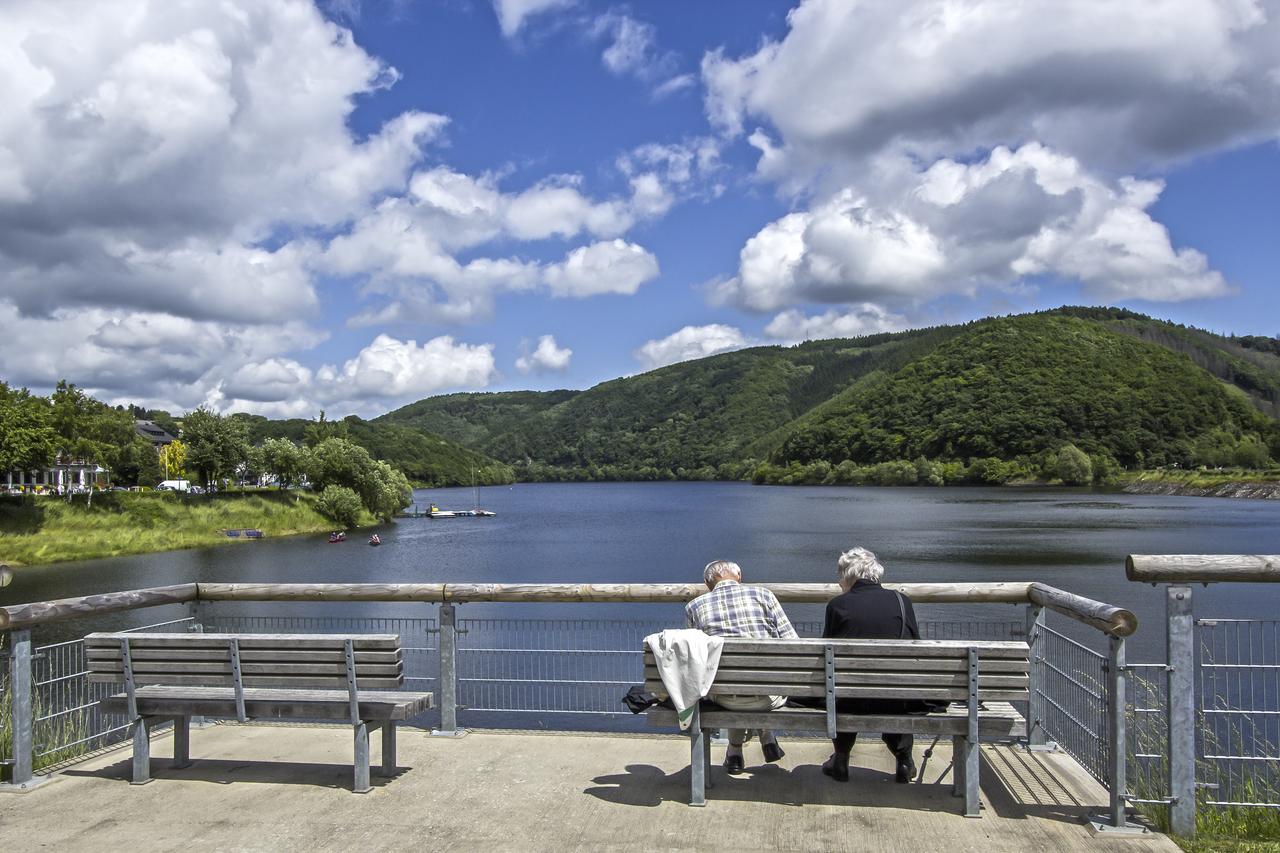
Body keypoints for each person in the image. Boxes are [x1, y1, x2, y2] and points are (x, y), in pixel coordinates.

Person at [820, 546, 924, 784]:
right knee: (896, 686)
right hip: (896, 697)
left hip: (851, 697)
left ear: (849, 575)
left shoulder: (837, 605)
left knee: (841, 689)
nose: (838, 582)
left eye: (839, 575)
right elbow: (916, 646)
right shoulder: (902, 601)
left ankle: (841, 759)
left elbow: (826, 655)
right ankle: (904, 761)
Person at [685, 559, 798, 774]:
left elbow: (695, 658)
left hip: (725, 697)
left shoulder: (694, 607)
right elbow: (793, 644)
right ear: (739, 576)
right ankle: (766, 735)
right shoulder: (764, 596)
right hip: (770, 696)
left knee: (733, 689)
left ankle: (735, 752)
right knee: (754, 686)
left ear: (708, 584)